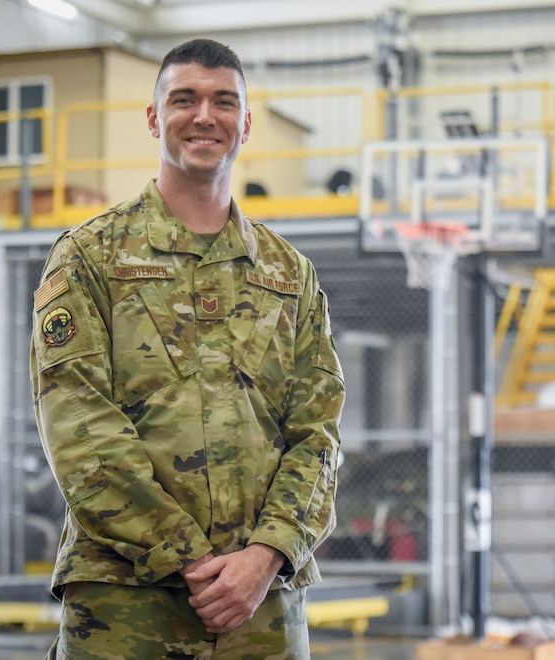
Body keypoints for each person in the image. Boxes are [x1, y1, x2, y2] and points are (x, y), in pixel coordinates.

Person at [30, 37, 345, 660]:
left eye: (224, 101)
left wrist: (263, 558)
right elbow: (80, 429)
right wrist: (194, 561)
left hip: (263, 608)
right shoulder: (91, 257)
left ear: (245, 123)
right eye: (185, 99)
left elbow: (320, 433)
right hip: (126, 602)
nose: (205, 116)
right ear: (154, 117)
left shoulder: (288, 274)